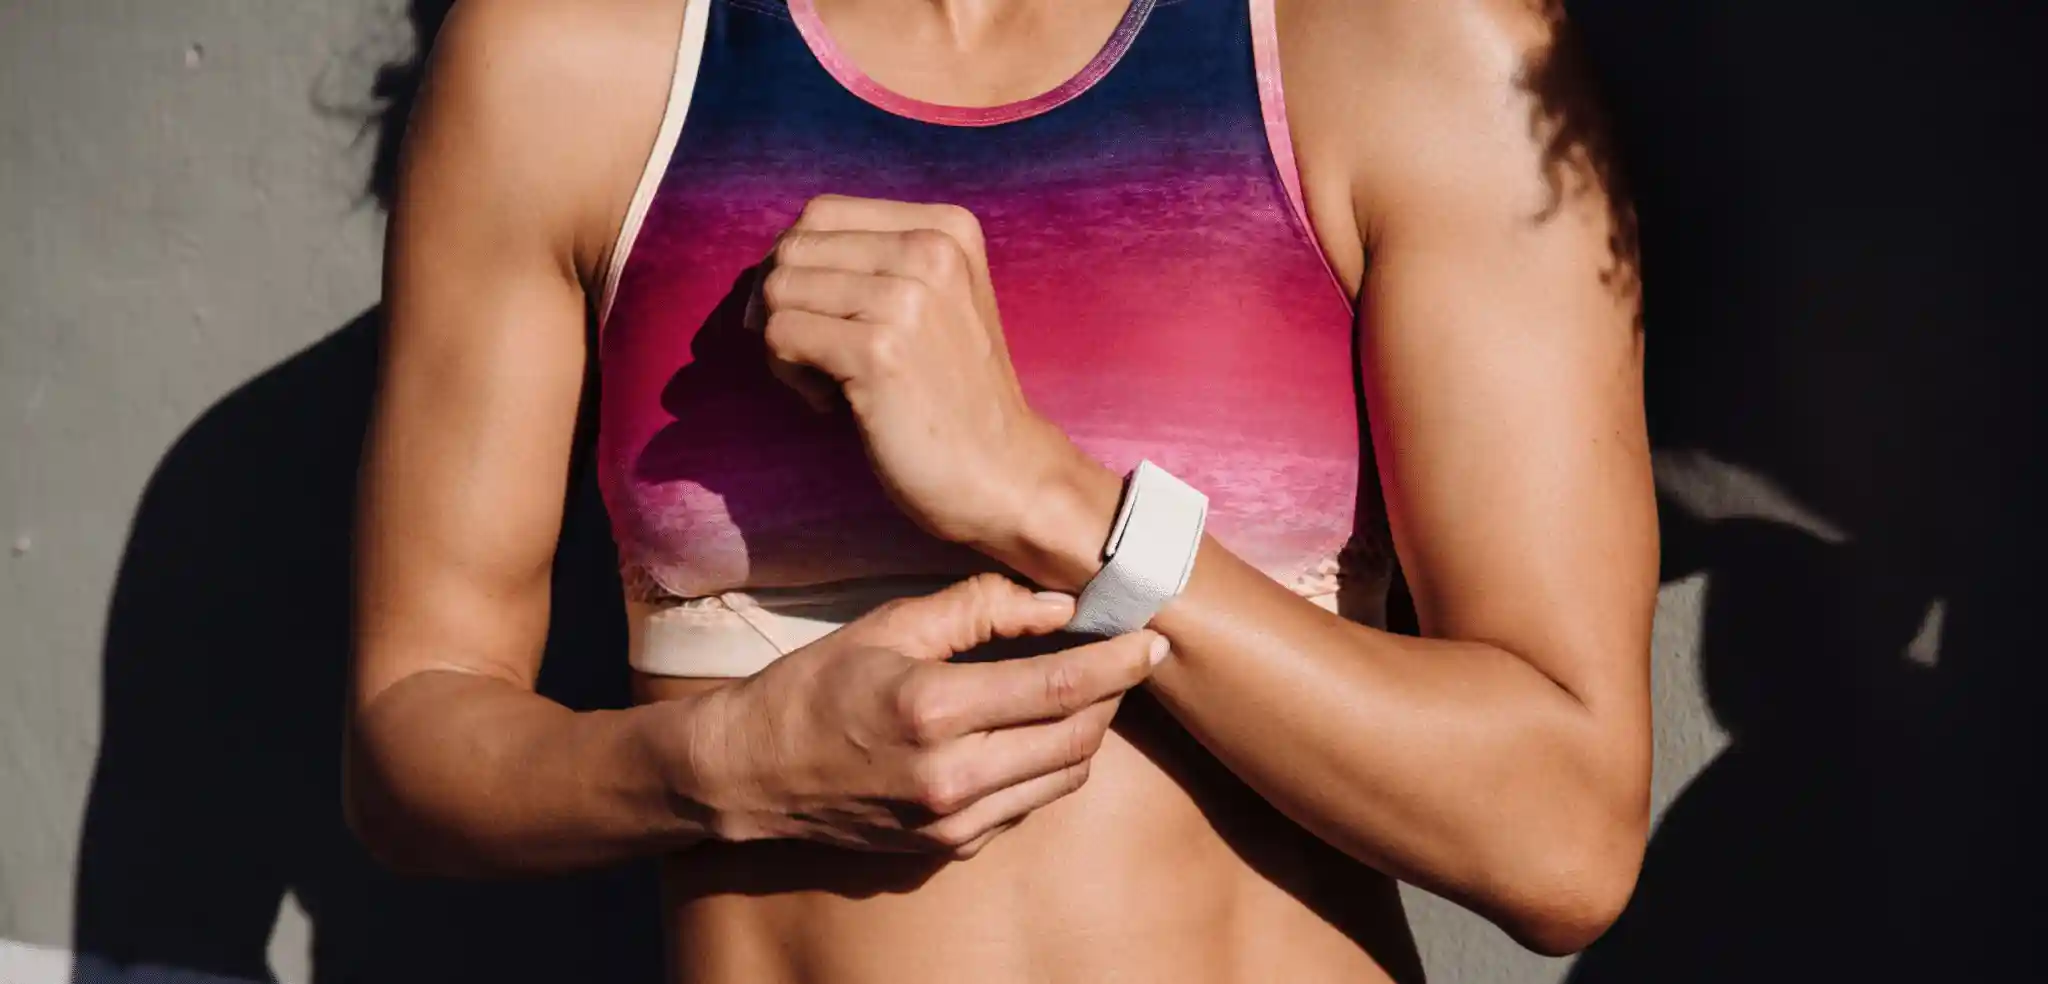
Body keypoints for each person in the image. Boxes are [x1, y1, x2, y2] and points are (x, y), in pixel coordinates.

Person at [345, 0, 1656, 979]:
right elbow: (409, 742)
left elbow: (1565, 835)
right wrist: (714, 769)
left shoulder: (1400, 43)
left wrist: (1048, 499)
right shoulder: (575, 61)